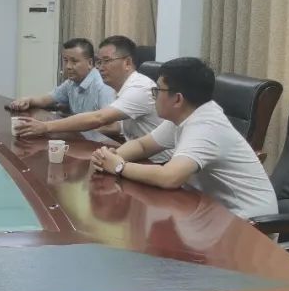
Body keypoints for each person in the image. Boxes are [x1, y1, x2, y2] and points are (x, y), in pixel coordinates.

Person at [90, 57, 278, 222]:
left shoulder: (205, 127)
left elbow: (169, 177)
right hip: (211, 211)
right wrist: (110, 156)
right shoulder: (185, 115)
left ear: (177, 99)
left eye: (157, 90)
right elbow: (143, 145)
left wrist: (119, 166)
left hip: (247, 223)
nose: (153, 96)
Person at [16, 36, 170, 163]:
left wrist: (46, 127)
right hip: (136, 156)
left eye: (106, 61)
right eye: (99, 62)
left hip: (158, 162)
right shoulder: (119, 87)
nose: (100, 67)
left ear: (127, 63)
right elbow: (119, 128)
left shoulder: (139, 88)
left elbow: (99, 118)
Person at [7, 38, 116, 140]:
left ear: (90, 63)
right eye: (65, 60)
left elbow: (113, 128)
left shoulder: (103, 87)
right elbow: (46, 99)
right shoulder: (71, 83)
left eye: (74, 61)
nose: (68, 66)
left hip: (98, 145)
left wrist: (76, 129)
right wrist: (28, 100)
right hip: (78, 140)